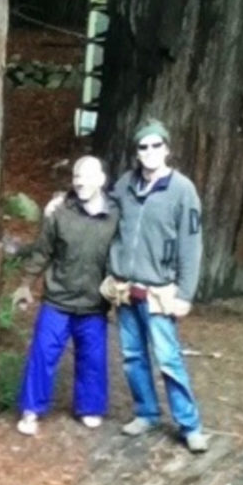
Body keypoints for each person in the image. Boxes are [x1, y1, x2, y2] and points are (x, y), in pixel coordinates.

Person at [100, 118, 208, 453]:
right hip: (126, 288)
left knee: (168, 359)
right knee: (132, 356)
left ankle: (190, 425)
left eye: (155, 145)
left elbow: (192, 244)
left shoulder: (182, 190)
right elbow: (101, 210)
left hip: (160, 291)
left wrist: (185, 294)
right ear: (137, 152)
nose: (149, 152)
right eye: (143, 147)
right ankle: (145, 412)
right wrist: (64, 201)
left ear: (166, 149)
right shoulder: (125, 185)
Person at [12, 156, 118, 437]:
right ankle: (32, 409)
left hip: (94, 304)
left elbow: (126, 252)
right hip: (57, 301)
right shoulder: (59, 213)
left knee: (93, 358)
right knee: (42, 354)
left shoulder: (116, 214)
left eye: (86, 176)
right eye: (76, 176)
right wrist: (26, 284)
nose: (80, 181)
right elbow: (42, 252)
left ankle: (90, 407)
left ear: (102, 180)